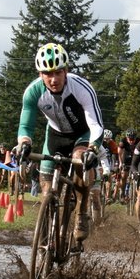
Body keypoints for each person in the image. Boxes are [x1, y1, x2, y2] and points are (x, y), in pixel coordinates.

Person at [15, 43, 103, 246]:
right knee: (47, 190)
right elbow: (25, 126)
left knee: (80, 159)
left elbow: (96, 124)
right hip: (55, 135)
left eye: (58, 72)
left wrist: (92, 148)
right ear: (40, 74)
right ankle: (45, 243)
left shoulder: (81, 88)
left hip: (82, 134)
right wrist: (24, 143)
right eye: (47, 74)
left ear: (66, 71)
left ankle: (81, 212)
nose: (53, 79)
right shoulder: (33, 92)